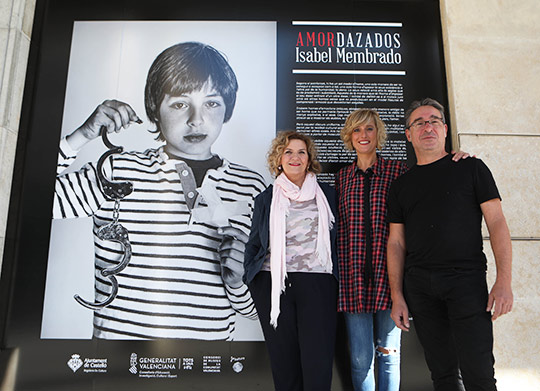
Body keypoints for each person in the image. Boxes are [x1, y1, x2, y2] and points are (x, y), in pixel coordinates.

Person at [53, 41, 266, 340]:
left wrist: (238, 282)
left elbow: (259, 310)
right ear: (155, 108)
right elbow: (26, 199)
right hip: (118, 368)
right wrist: (81, 136)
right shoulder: (116, 171)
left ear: (227, 107)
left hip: (208, 371)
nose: (196, 119)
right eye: (180, 104)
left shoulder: (252, 188)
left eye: (211, 103)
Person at [336, 108, 471, 391]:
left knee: (389, 354)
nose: (364, 135)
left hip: (391, 279)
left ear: (378, 134)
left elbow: (431, 181)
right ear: (349, 136)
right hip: (353, 279)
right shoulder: (342, 179)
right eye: (357, 130)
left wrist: (459, 160)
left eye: (369, 129)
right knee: (361, 359)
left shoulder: (398, 171)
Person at [387, 98, 513, 390]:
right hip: (419, 286)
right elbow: (396, 242)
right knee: (442, 375)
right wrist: (397, 295)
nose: (427, 126)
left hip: (465, 282)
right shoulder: (401, 186)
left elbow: (497, 223)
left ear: (444, 129)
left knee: (479, 372)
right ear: (408, 134)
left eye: (433, 121)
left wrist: (503, 281)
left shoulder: (472, 168)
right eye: (419, 122)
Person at [244, 131, 338, 391]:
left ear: (309, 159)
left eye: (301, 152)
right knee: (284, 363)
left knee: (317, 362)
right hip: (273, 284)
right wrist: (252, 279)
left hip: (319, 284)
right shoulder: (267, 198)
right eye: (288, 152)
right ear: (279, 159)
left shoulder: (328, 195)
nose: (295, 157)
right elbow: (254, 242)